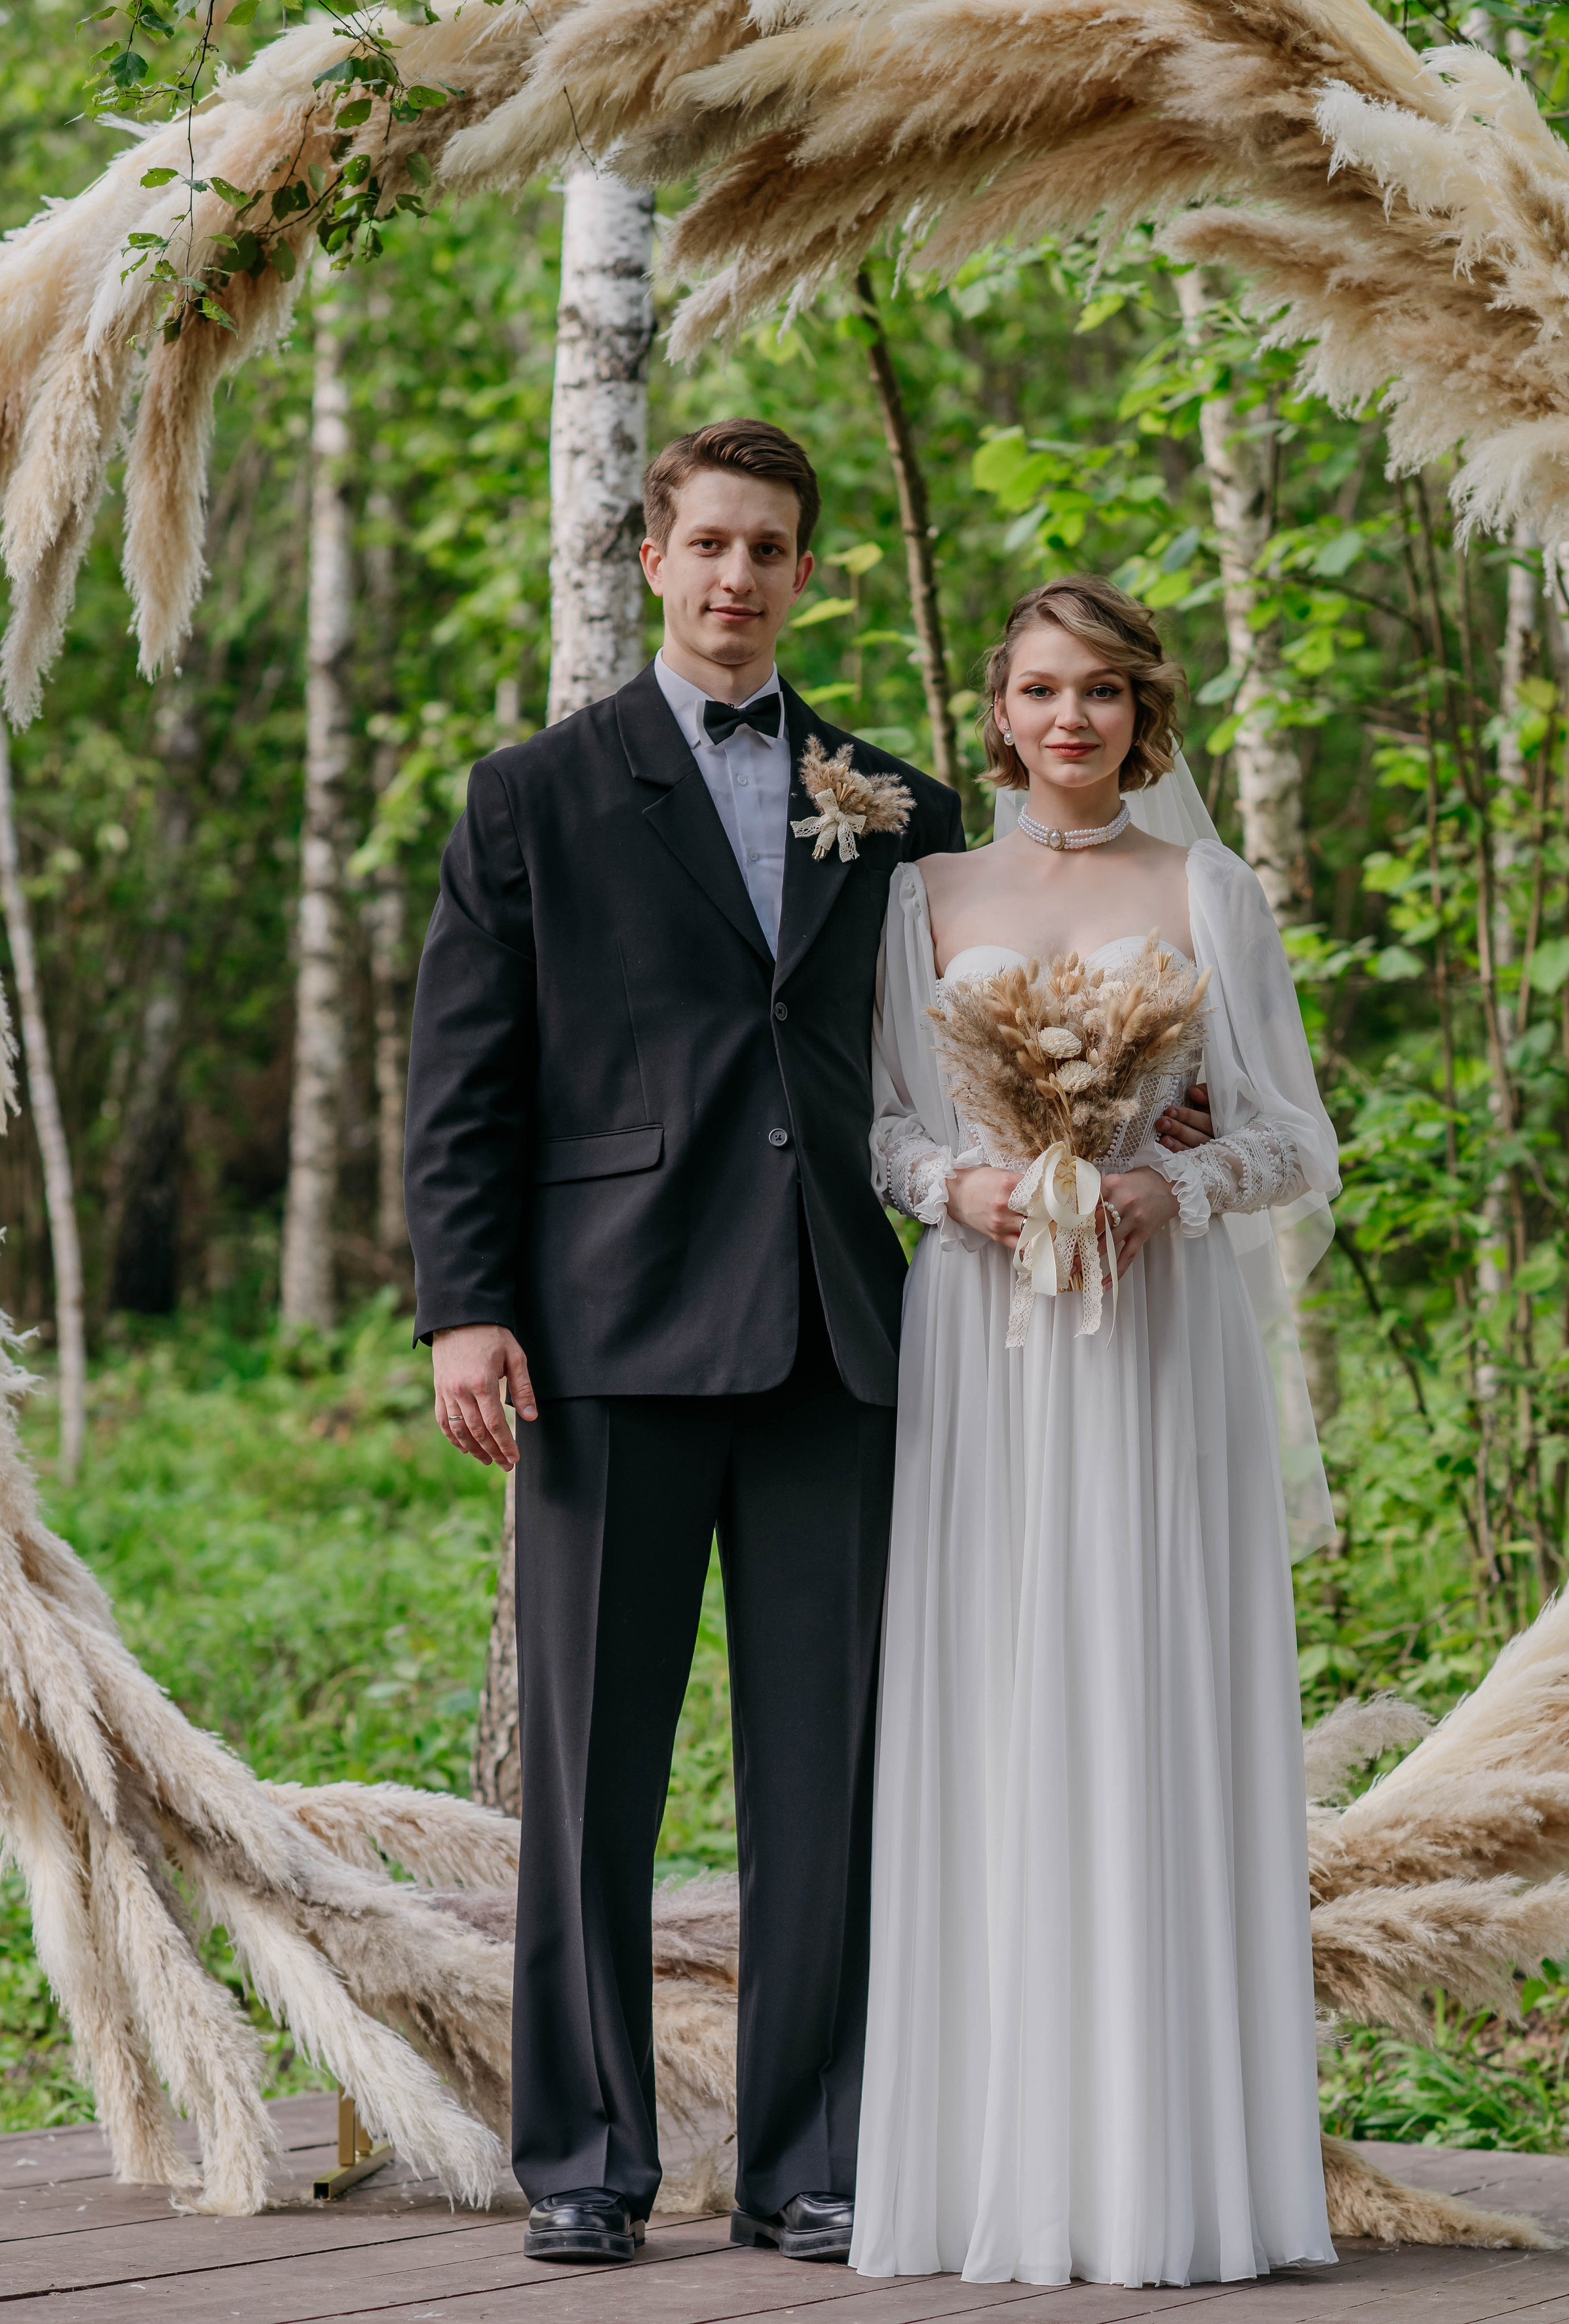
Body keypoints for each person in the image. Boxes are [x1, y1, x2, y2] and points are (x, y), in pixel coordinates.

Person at [402, 418, 966, 2264]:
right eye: (710, 544)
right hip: (606, 1337)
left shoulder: (898, 804)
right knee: (591, 1779)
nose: (739, 578)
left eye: (772, 550)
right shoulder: (530, 797)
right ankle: (583, 2158)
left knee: (829, 1767)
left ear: (809, 575)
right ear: (654, 561)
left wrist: (1141, 1127)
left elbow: (978, 1043)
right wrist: (465, 1305)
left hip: (836, 1341)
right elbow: (462, 1086)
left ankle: (810, 2156)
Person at [855, 577, 1340, 2288]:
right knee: (994, 1700)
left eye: (1104, 694)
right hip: (986, 1339)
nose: (1071, 720)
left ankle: (1169, 2169)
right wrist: (966, 1182)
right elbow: (883, 1134)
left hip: (1154, 1342)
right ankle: (992, 2154)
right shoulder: (924, 895)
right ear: (998, 709)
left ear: (1146, 713)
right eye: (1042, 690)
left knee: (1146, 1691)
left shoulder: (1210, 889)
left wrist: (1163, 1182)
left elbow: (1295, 1143)